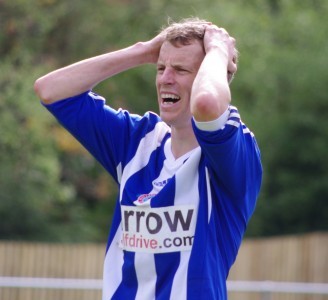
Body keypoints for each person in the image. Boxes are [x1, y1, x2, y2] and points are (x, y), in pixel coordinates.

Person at [34, 17, 262, 300]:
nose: (166, 78)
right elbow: (51, 90)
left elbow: (206, 105)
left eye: (180, 70)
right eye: (161, 68)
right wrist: (142, 51)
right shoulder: (136, 141)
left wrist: (217, 51)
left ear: (210, 75)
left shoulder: (232, 150)